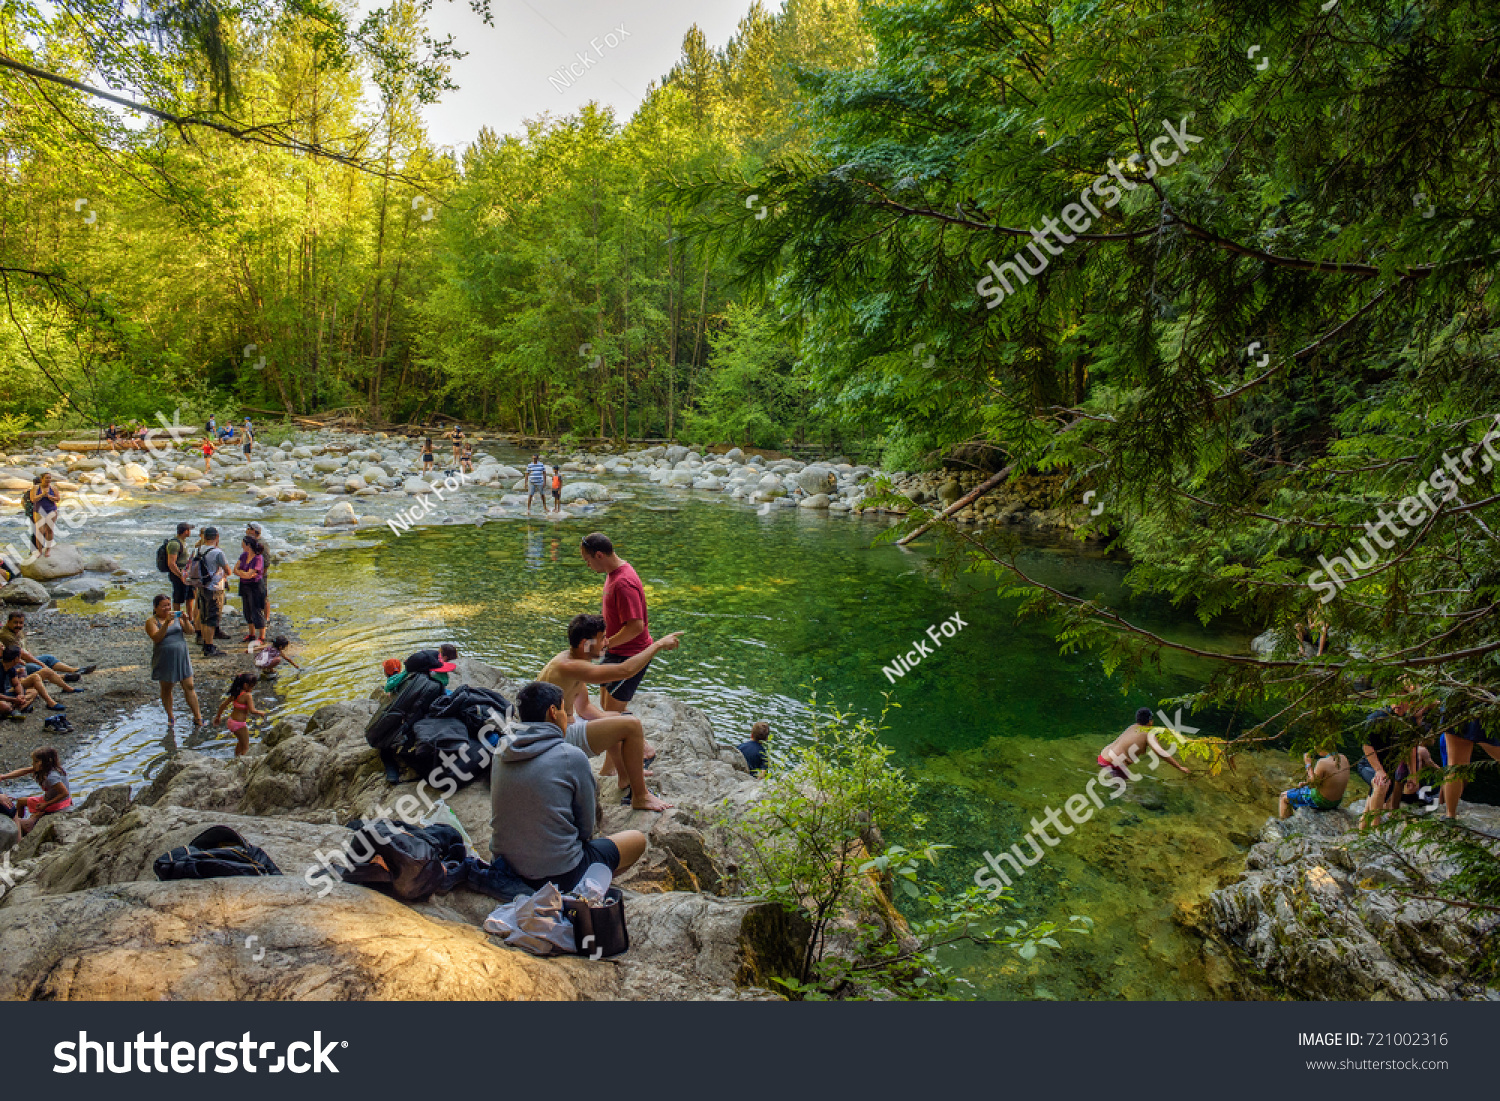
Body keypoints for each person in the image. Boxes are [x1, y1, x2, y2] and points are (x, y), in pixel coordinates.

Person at [488, 681, 648, 893]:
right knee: (637, 840)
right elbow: (586, 828)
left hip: (503, 868)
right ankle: (585, 885)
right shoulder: (570, 757)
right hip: (558, 875)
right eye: (565, 710)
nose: (568, 717)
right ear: (553, 712)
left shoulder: (501, 749)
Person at [538, 613, 680, 811]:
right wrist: (656, 645)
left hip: (563, 728)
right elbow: (625, 671)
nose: (607, 642)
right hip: (555, 738)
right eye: (603, 638)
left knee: (618, 719)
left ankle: (625, 776)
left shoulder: (573, 660)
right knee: (631, 726)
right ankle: (641, 797)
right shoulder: (569, 666)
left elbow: (584, 708)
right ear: (586, 644)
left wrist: (616, 722)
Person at [145, 594, 203, 729]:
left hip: (181, 655)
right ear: (156, 607)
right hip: (165, 658)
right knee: (167, 688)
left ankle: (198, 717)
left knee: (189, 686)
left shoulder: (176, 618)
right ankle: (170, 716)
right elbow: (157, 638)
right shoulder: (152, 621)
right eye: (163, 606)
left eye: (168, 605)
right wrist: (166, 623)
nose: (167, 608)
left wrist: (186, 620)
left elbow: (190, 632)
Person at [0, 612, 93, 694]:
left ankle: (74, 670)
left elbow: (25, 649)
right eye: (15, 622)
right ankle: (63, 677)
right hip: (17, 663)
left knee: (48, 658)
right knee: (38, 668)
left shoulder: (18, 631)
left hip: (23, 659)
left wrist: (33, 657)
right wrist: (40, 663)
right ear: (8, 622)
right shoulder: (6, 636)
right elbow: (22, 654)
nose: (18, 625)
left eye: (21, 623)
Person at [1097, 707, 1191, 780]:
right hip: (1114, 764)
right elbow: (1159, 751)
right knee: (1129, 791)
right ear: (1150, 720)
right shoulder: (1149, 733)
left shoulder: (1132, 727)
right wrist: (1179, 767)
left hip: (1102, 757)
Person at [0, 747, 72, 836]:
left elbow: (65, 793)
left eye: (36, 761)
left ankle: (19, 823)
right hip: (63, 801)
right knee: (33, 808)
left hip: (56, 803)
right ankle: (30, 819)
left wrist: (46, 804)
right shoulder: (49, 768)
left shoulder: (51, 777)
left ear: (44, 762)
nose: (33, 764)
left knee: (20, 801)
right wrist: (4, 776)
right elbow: (24, 771)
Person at [1441, 717, 1500, 822]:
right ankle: (1450, 815)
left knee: (1455, 766)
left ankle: (1450, 816)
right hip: (1484, 709)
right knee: (1455, 766)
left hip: (1456, 709)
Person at [189, 527, 230, 656]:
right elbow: (228, 571)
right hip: (214, 588)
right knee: (212, 619)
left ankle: (206, 643)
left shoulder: (197, 549)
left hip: (201, 586)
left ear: (204, 537)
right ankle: (209, 647)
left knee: (204, 617)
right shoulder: (218, 552)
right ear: (217, 537)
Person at [1279, 741, 1350, 817]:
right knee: (1299, 791)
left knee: (1284, 797)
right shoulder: (1343, 758)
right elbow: (1326, 781)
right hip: (1336, 802)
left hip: (1322, 801)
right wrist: (1305, 783)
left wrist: (1308, 764)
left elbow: (1312, 784)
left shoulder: (1322, 763)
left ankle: (1285, 826)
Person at [215, 672, 265, 756]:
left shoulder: (236, 694)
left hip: (231, 722)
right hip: (239, 724)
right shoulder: (247, 695)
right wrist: (260, 712)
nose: (252, 689)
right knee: (246, 747)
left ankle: (236, 758)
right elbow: (252, 710)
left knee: (241, 741)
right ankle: (244, 765)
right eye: (252, 686)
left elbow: (223, 705)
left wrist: (218, 716)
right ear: (246, 685)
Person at [1, 647, 65, 712]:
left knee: (34, 692)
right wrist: (13, 699)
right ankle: (16, 707)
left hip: (6, 694)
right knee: (4, 706)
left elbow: (17, 684)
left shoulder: (11, 669)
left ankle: (16, 707)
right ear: (16, 659)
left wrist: (21, 695)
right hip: (2, 696)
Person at [234, 535, 268, 646]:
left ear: (248, 545)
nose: (241, 545)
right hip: (244, 585)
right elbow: (235, 569)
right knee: (247, 610)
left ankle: (262, 637)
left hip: (255, 587)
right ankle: (252, 634)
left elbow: (249, 574)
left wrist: (243, 574)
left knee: (256, 610)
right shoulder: (244, 555)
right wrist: (245, 574)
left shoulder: (258, 557)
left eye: (243, 543)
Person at [165, 521, 196, 618]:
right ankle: (177, 618)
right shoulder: (174, 544)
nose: (190, 532)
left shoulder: (183, 541)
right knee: (178, 598)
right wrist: (180, 575)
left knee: (190, 596)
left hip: (186, 573)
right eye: (189, 530)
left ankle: (190, 618)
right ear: (185, 531)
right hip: (178, 574)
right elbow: (171, 563)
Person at [27, 472, 59, 557]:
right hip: (38, 511)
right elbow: (33, 499)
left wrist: (50, 497)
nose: (48, 480)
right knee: (39, 531)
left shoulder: (53, 488)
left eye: (49, 478)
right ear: (42, 479)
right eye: (46, 478)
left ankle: (48, 550)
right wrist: (42, 494)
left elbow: (58, 499)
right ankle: (40, 551)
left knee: (49, 530)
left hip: (51, 511)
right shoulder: (36, 488)